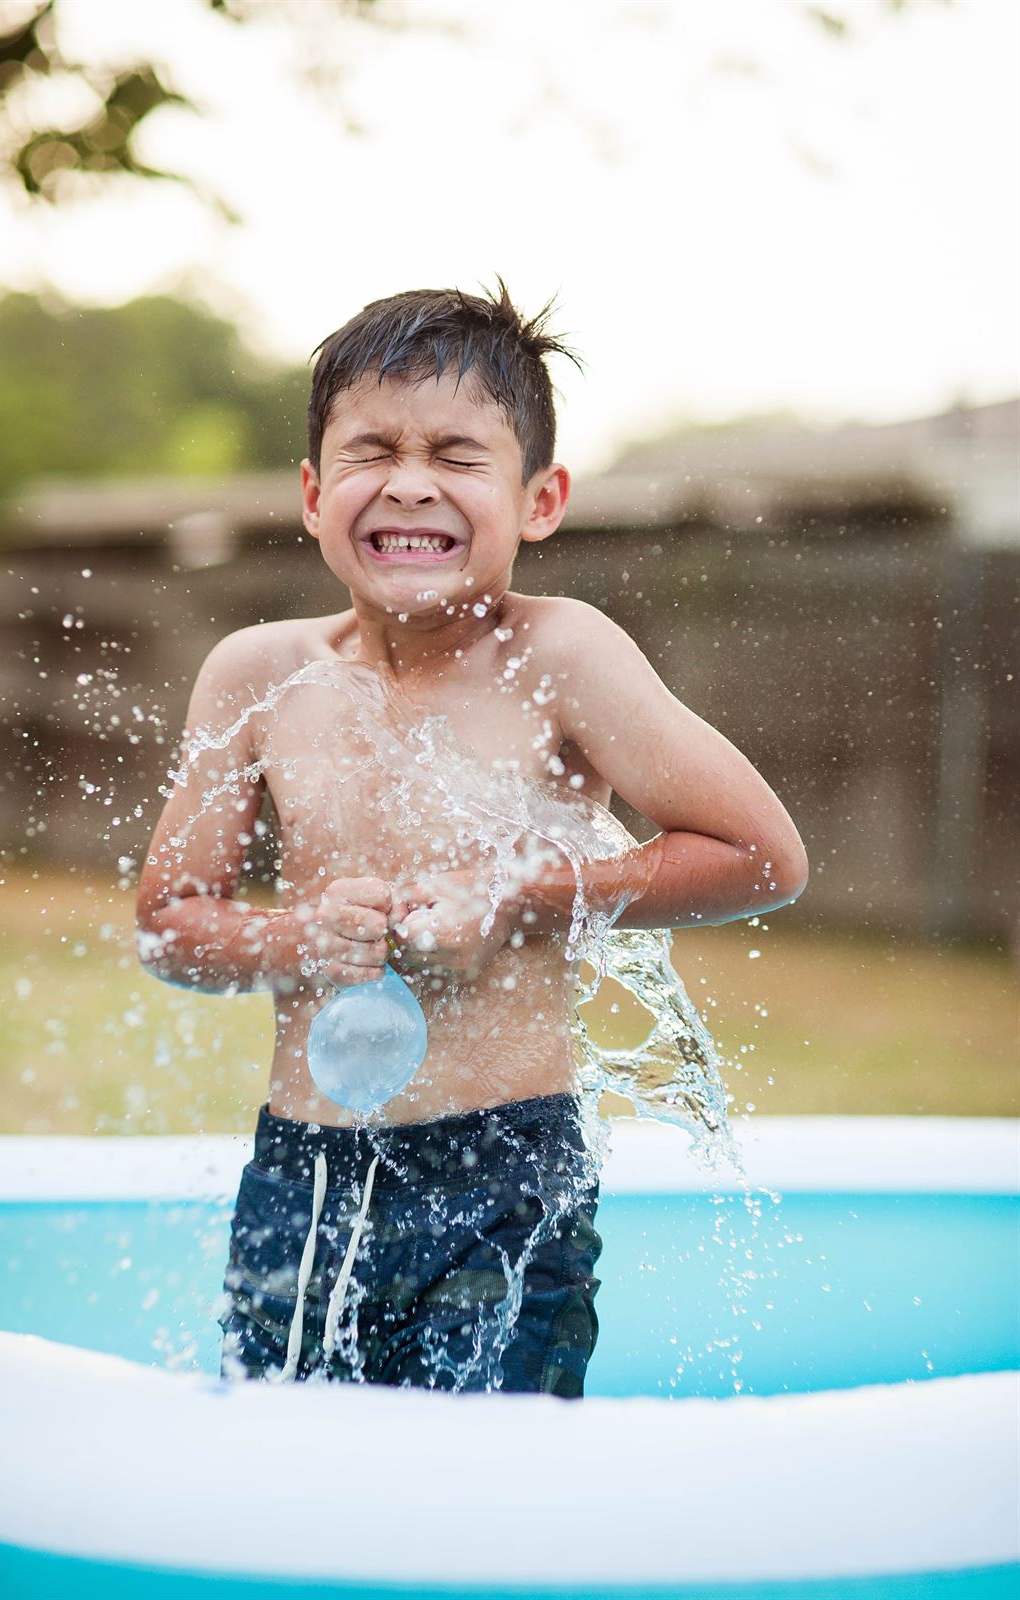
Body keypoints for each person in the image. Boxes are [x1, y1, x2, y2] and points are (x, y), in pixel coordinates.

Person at [136, 283, 808, 1396]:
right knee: (281, 1491)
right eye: (372, 452)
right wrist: (297, 936)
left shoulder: (563, 658)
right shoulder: (258, 675)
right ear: (312, 494)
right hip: (301, 1173)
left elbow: (761, 856)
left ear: (539, 499)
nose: (409, 482)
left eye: (456, 454)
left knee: (492, 1507)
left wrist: (525, 898)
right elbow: (168, 926)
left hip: (503, 1170)